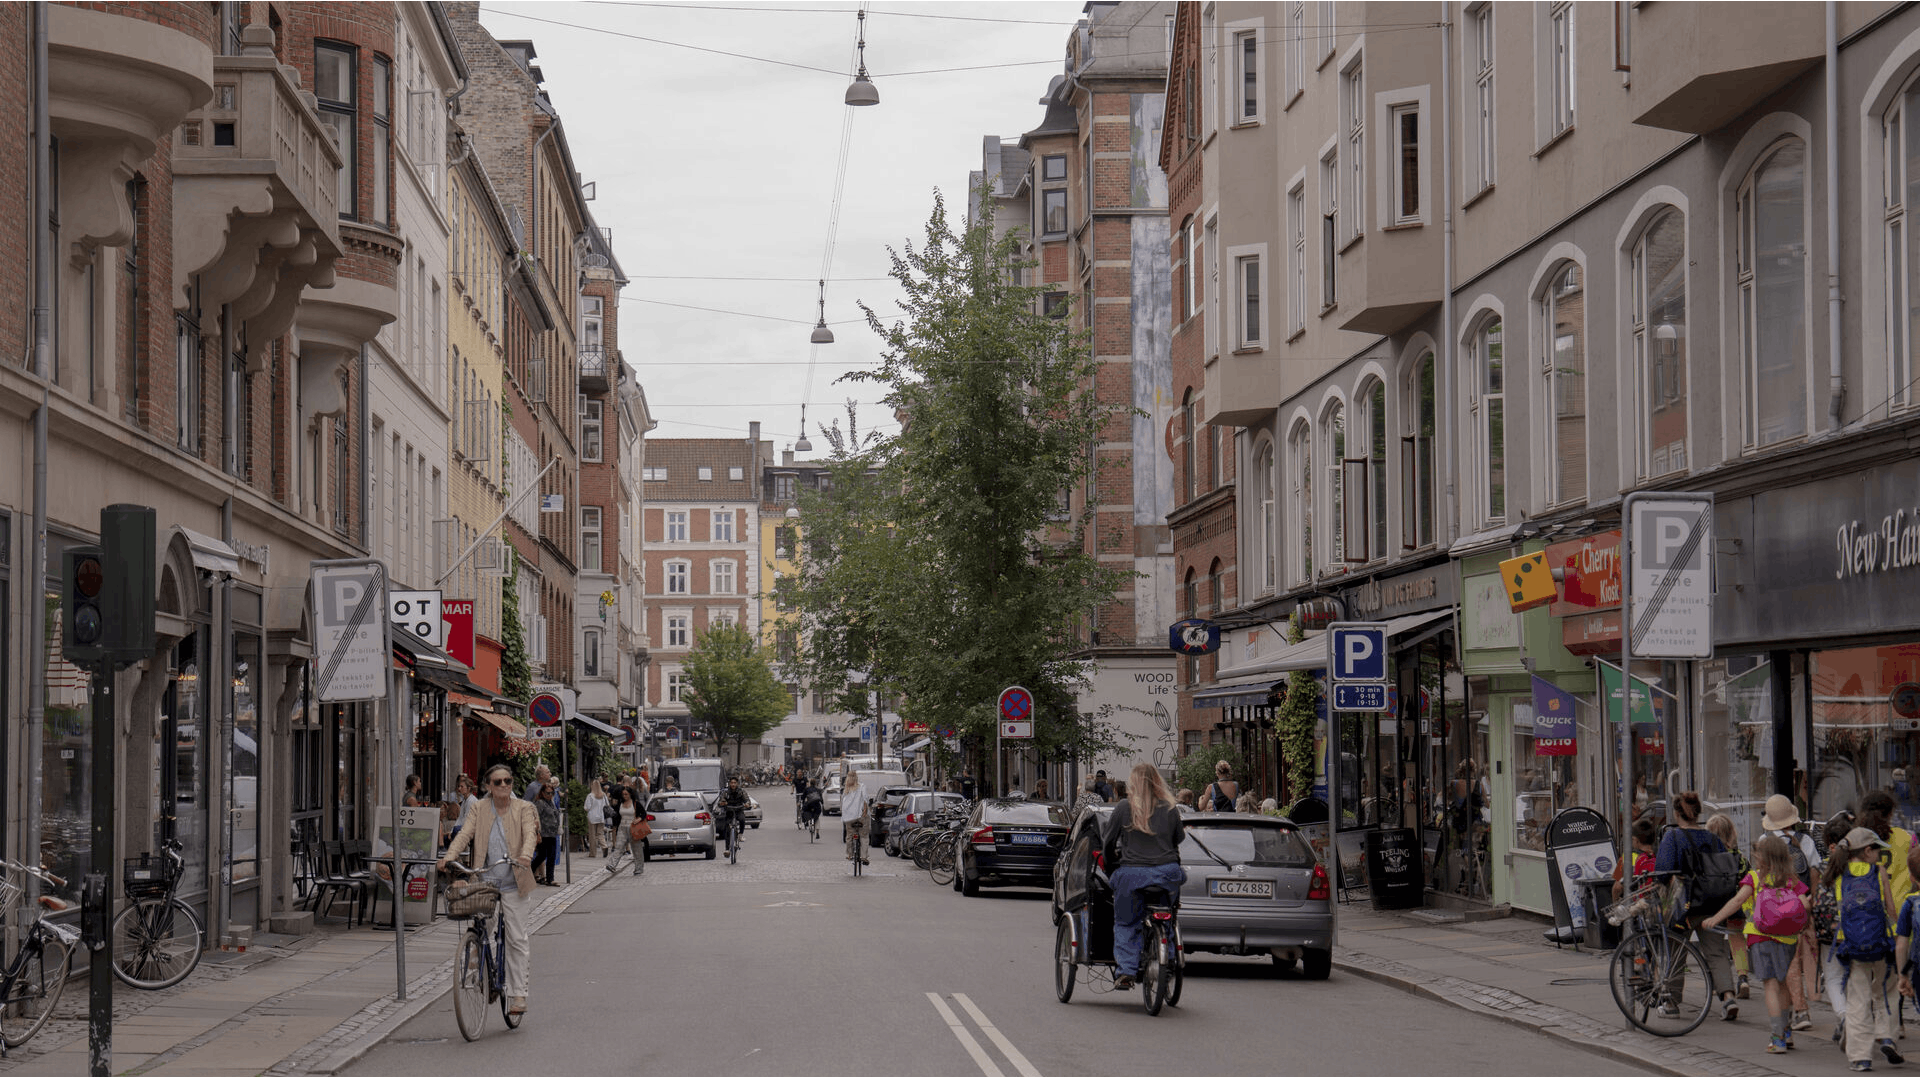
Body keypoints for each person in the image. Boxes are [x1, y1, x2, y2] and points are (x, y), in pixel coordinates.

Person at [439, 764, 538, 1016]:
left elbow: (529, 835)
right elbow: (464, 836)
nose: (504, 785)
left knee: (516, 939)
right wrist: (449, 856)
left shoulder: (524, 808)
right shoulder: (478, 808)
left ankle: (518, 995)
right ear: (488, 787)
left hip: (515, 882)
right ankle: (478, 972)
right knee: (481, 930)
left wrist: (526, 856)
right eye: (498, 782)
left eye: (508, 780)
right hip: (485, 882)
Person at [1703, 835, 1810, 1053]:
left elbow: (1738, 901)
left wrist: (1715, 918)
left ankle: (1777, 1038)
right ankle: (1787, 1031)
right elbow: (1807, 903)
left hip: (1760, 936)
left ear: (1763, 858)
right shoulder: (1791, 880)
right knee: (1783, 984)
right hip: (1788, 938)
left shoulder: (1755, 878)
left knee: (1770, 985)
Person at [1655, 790, 1740, 1021]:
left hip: (1682, 905)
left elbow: (1662, 871)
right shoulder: (1712, 838)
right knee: (1716, 952)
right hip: (1712, 903)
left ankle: (1671, 1002)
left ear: (1676, 812)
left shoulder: (1672, 837)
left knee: (1676, 951)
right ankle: (1728, 997)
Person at [1100, 762, 1186, 990]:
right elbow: (1178, 839)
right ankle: (1165, 958)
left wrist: (1111, 868)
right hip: (1166, 874)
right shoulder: (1170, 808)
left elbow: (1108, 843)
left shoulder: (1124, 808)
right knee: (1167, 916)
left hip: (1132, 875)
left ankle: (1126, 971)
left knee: (1126, 923)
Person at [1827, 826, 1901, 1070]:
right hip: (1881, 943)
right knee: (1887, 990)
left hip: (1853, 946)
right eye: (1877, 850)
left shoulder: (1840, 873)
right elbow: (1890, 910)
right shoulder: (1878, 872)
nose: (1879, 856)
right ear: (1867, 851)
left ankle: (1860, 1057)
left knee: (1857, 999)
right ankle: (1887, 1035)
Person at [1760, 794, 1824, 1033]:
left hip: (1777, 910)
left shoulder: (1764, 841)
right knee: (1809, 953)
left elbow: (1761, 876)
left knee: (1789, 962)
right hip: (1802, 903)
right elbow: (1815, 871)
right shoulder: (1804, 840)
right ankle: (1813, 996)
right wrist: (1813, 899)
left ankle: (1800, 1010)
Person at [1705, 814, 1753, 1000]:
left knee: (1714, 946)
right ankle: (1743, 978)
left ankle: (1720, 982)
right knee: (1737, 940)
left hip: (1715, 905)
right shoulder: (1739, 857)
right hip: (1737, 904)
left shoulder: (1709, 858)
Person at [1611, 816, 1660, 901]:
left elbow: (1617, 887)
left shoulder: (1628, 858)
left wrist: (1615, 904)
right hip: (1656, 903)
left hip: (1636, 905)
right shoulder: (1659, 855)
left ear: (1635, 840)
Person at [604, 784, 644, 876]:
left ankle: (639, 868)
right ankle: (612, 865)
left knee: (636, 849)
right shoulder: (620, 804)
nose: (624, 796)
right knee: (619, 846)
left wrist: (638, 819)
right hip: (622, 827)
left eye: (626, 794)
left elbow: (643, 814)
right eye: (623, 794)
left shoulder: (635, 803)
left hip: (633, 827)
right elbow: (617, 815)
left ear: (630, 794)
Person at [531, 783, 561, 885]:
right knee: (541, 856)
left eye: (552, 793)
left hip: (552, 834)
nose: (550, 795)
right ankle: (528, 874)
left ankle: (550, 879)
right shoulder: (540, 803)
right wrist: (537, 832)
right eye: (548, 793)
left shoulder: (551, 802)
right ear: (542, 793)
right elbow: (535, 817)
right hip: (543, 834)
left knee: (551, 856)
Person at [842, 771, 871, 865]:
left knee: (850, 835)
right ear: (856, 778)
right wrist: (865, 810)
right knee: (864, 836)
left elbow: (843, 804)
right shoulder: (862, 786)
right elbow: (865, 798)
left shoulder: (846, 789)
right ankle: (864, 856)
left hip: (849, 817)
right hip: (861, 815)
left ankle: (850, 854)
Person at [716, 777, 751, 851]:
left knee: (742, 819)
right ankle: (727, 849)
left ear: (737, 784)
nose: (733, 784)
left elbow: (747, 800)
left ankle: (740, 834)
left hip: (739, 810)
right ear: (729, 784)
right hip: (729, 811)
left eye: (734, 783)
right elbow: (720, 801)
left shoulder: (741, 791)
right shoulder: (726, 792)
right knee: (727, 829)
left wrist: (747, 804)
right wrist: (723, 803)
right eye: (731, 783)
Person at [584, 779, 608, 859]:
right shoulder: (603, 795)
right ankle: (604, 846)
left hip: (592, 817)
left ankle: (593, 853)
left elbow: (587, 807)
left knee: (592, 835)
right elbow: (607, 805)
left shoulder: (590, 796)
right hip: (601, 817)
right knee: (600, 833)